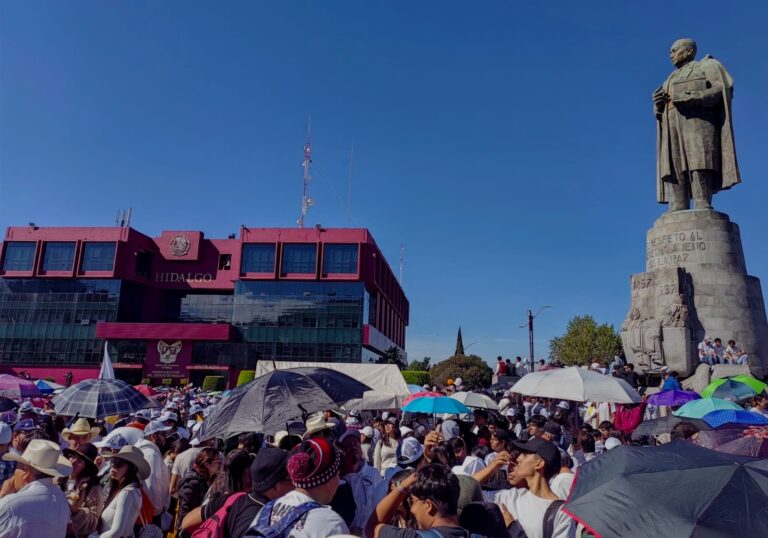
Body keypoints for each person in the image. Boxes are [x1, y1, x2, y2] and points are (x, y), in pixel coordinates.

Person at [654, 38, 740, 212]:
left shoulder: (706, 66)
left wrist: (697, 96)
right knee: (674, 163)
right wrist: (658, 104)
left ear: (689, 51)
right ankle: (678, 204)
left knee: (699, 160)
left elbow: (723, 89)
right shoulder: (670, 78)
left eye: (675, 50)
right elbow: (660, 107)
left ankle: (702, 202)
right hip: (671, 124)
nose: (671, 55)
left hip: (697, 121)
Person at [247, 438, 348, 538]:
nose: (338, 480)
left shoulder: (266, 511)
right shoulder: (331, 523)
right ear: (328, 480)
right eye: (338, 474)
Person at [484, 437, 572, 538]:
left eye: (525, 455)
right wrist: (493, 466)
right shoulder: (510, 496)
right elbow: (467, 491)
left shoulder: (561, 513)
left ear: (539, 464)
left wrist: (513, 529)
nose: (519, 459)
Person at [364, 463, 468, 538]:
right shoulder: (479, 533)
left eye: (412, 501)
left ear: (428, 505)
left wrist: (402, 486)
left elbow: (372, 527)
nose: (412, 510)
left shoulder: (412, 536)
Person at [0, 439, 73, 537]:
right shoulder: (62, 499)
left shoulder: (10, 505)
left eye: (18, 467)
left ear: (27, 471)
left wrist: (2, 497)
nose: (14, 473)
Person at [181, 449, 255, 534]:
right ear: (238, 475)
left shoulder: (219, 484)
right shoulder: (224, 499)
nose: (251, 480)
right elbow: (185, 523)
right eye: (249, 474)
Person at [99, 445, 149, 538]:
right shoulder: (133, 489)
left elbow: (116, 532)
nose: (113, 469)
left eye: (119, 465)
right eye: (113, 463)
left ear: (131, 469)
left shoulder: (126, 493)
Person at [61, 443, 105, 538]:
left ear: (87, 467)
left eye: (80, 461)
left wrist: (76, 511)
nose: (73, 462)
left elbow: (93, 523)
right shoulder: (58, 479)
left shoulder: (93, 488)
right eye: (72, 457)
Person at [176, 447, 221, 538]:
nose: (220, 465)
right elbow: (184, 513)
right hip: (188, 531)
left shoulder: (205, 480)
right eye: (218, 462)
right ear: (207, 464)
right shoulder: (192, 482)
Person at [136, 420, 171, 518]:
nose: (165, 438)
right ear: (154, 436)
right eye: (163, 434)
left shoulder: (148, 451)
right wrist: (158, 511)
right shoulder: (151, 454)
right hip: (152, 512)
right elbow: (151, 485)